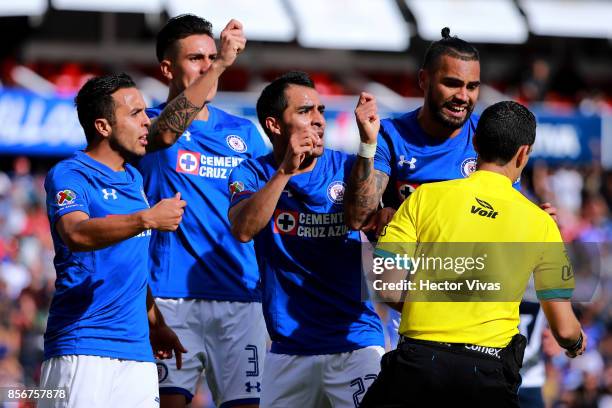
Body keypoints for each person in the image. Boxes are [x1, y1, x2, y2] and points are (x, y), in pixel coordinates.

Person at [344, 28, 553, 405]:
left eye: (472, 86)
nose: (464, 96)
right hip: (406, 315)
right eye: (452, 83)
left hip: (476, 330)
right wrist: (366, 146)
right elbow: (358, 216)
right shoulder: (390, 136)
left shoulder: (489, 140)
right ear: (424, 80)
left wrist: (538, 221)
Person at [359, 101, 587, 407]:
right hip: (488, 376)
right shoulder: (541, 223)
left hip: (415, 366)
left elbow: (387, 287)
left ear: (474, 142)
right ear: (524, 153)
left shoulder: (424, 198)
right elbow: (564, 329)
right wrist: (575, 345)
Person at [228, 71, 385, 407]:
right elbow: (243, 229)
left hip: (354, 342)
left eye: (320, 110)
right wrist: (284, 171)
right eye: (304, 111)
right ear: (274, 125)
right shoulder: (251, 173)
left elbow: (365, 218)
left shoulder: (347, 168)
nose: (317, 120)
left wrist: (367, 147)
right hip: (289, 350)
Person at [136, 15, 268, 408]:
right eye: (196, 58)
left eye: (213, 57)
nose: (209, 66)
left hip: (241, 296)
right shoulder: (147, 124)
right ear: (167, 68)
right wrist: (226, 63)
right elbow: (167, 133)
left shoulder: (243, 132)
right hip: (170, 298)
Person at [39, 73, 191, 408]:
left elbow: (130, 264)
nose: (147, 121)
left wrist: (157, 324)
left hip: (137, 352)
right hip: (84, 344)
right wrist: (146, 218)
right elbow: (75, 233)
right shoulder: (70, 174)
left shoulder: (134, 178)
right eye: (135, 113)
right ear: (103, 126)